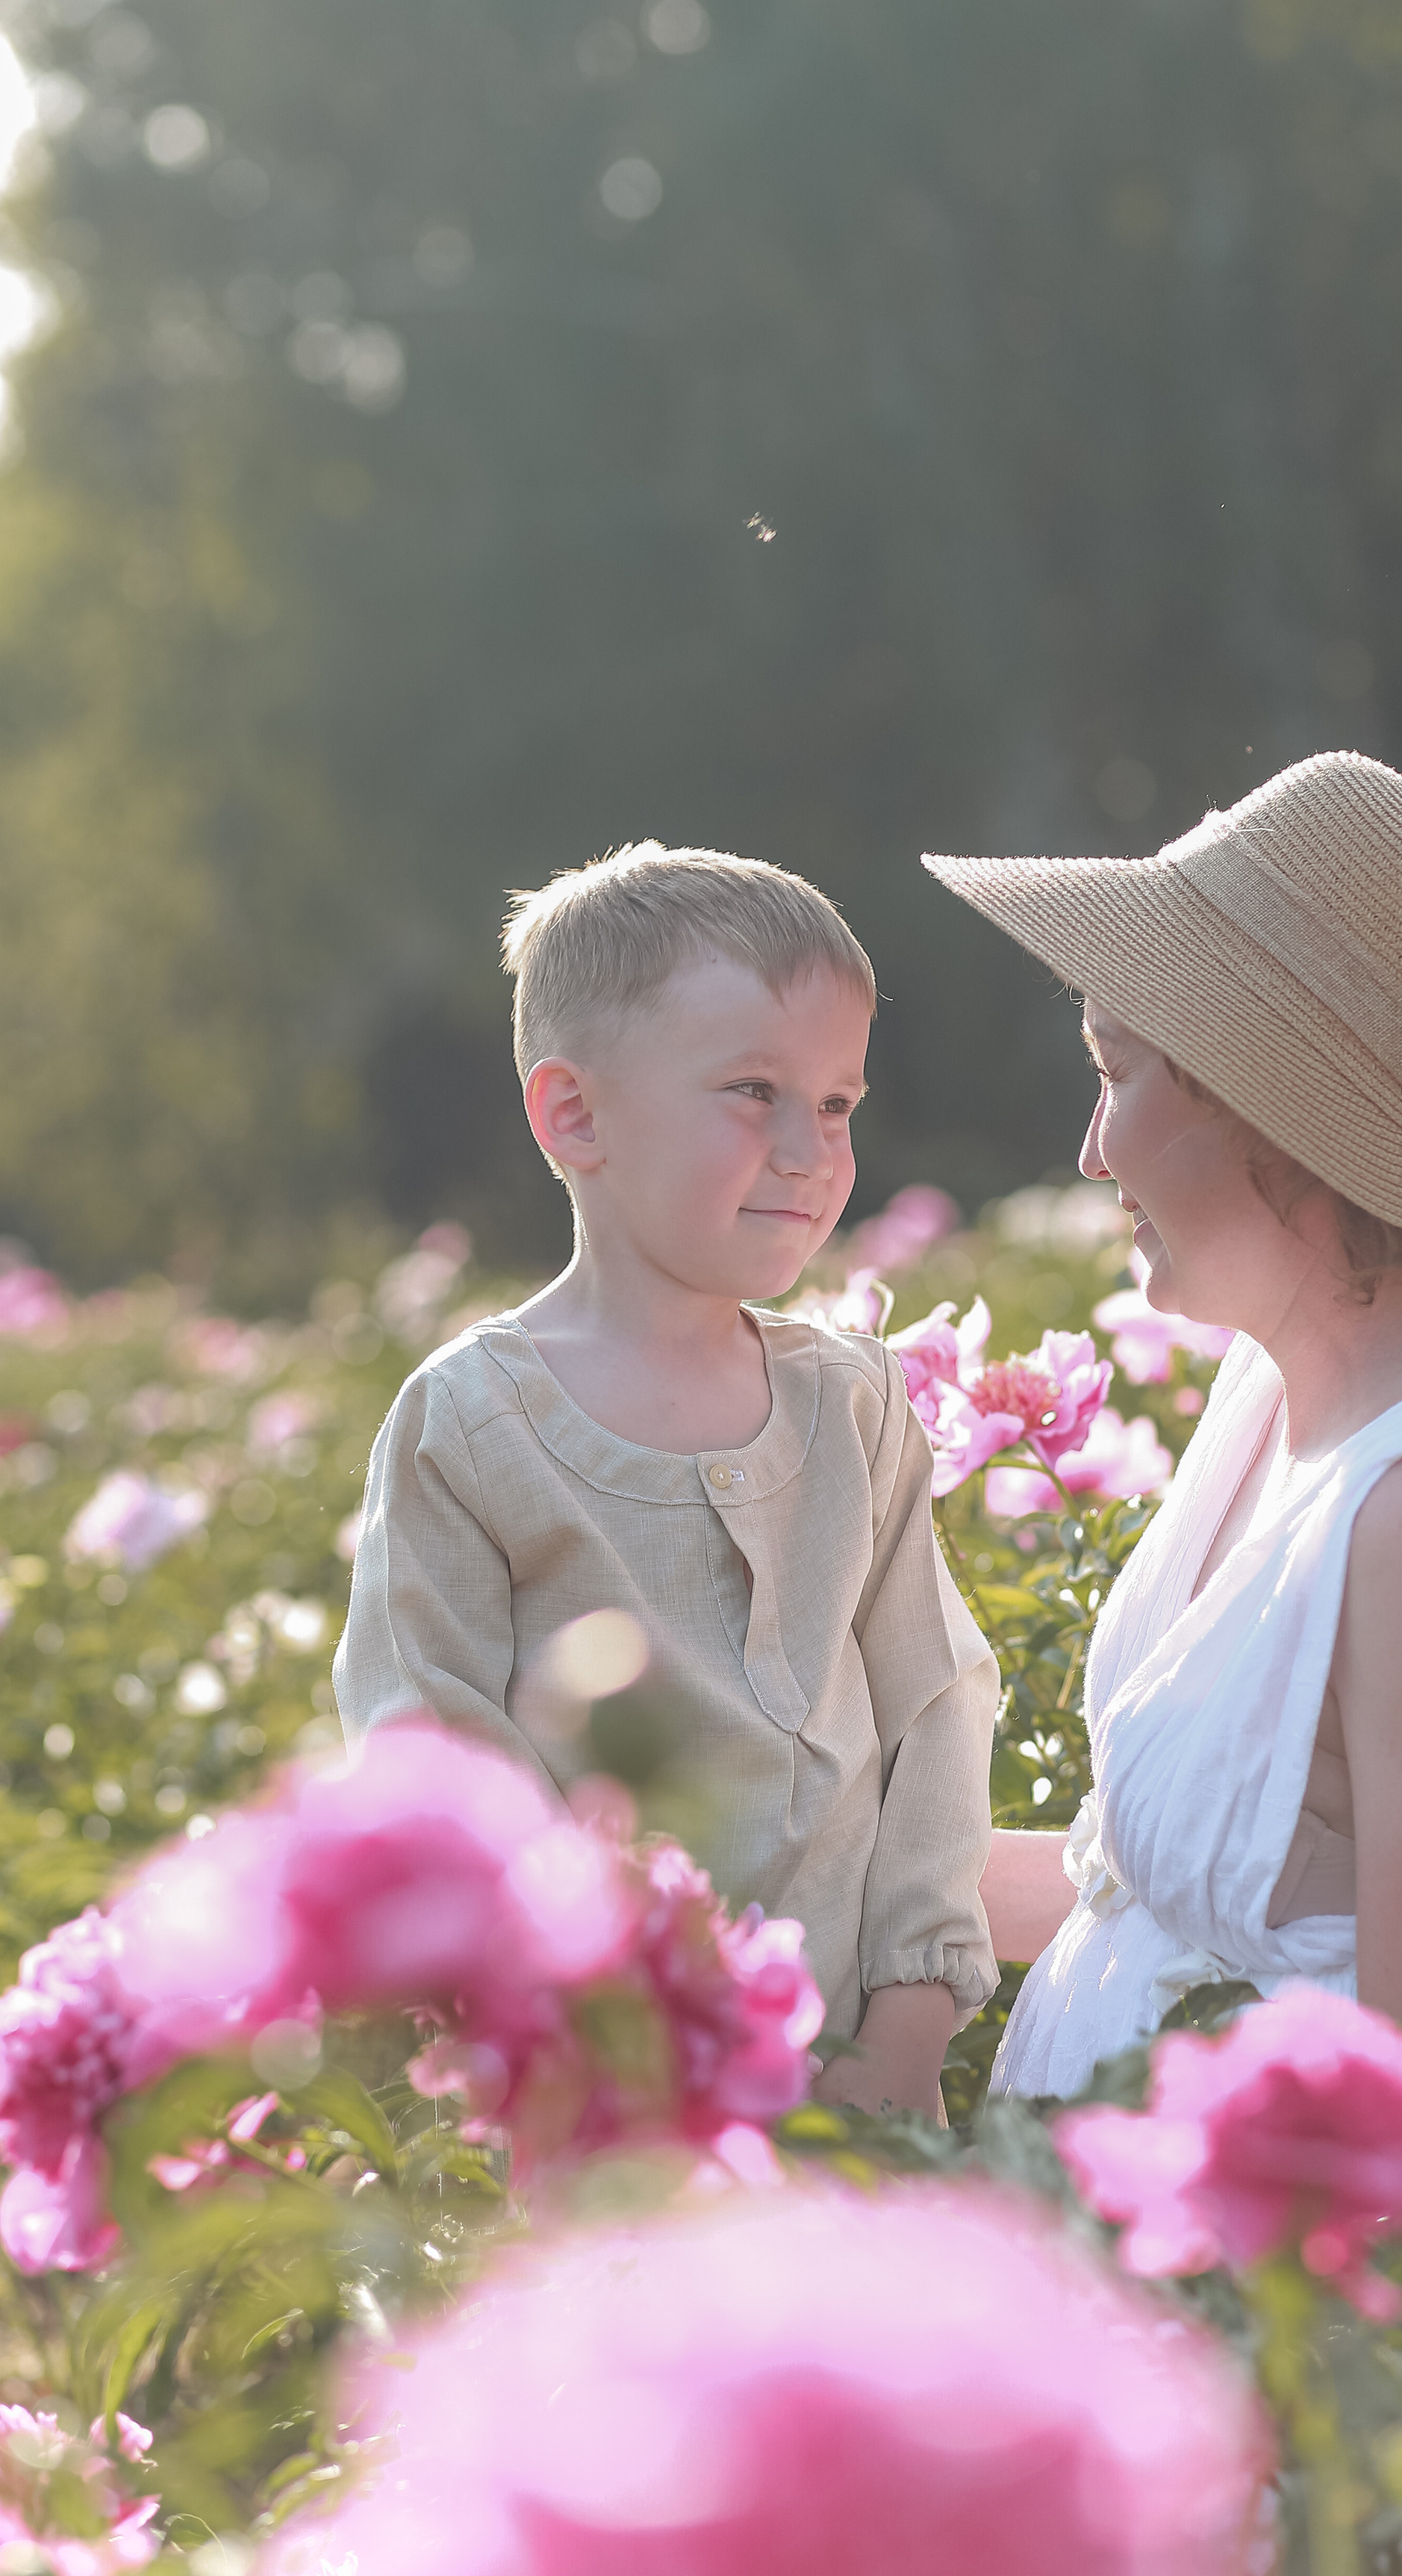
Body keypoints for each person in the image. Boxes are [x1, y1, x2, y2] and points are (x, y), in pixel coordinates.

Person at [929, 751, 1402, 2100]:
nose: (1095, 1149)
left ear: (1277, 1110)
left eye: (1119, 1069)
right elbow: (1164, 1908)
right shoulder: (1286, 1380)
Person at [334, 842, 1000, 2119]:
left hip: (872, 2099)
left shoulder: (854, 1405)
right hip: (607, 2115)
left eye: (841, 1103)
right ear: (573, 1114)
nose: (810, 1150)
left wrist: (908, 2034)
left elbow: (938, 1717)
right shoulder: (472, 1427)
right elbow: (430, 1775)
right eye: (756, 1092)